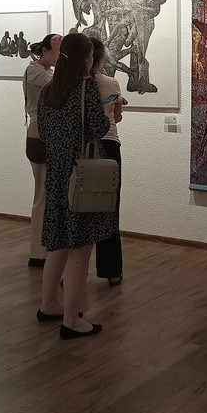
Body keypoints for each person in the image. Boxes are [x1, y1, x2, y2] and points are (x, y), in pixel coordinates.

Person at [37, 32, 114, 339]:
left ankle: (49, 304)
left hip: (57, 174)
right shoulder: (86, 89)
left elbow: (43, 130)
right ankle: (71, 319)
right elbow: (98, 127)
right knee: (80, 249)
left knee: (57, 243)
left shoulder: (49, 89)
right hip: (80, 176)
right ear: (87, 57)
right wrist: (107, 112)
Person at [23, 33, 62, 268]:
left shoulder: (46, 72)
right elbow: (58, 89)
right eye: (57, 51)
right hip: (40, 131)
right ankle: (38, 251)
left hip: (46, 130)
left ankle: (45, 249)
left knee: (47, 192)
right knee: (42, 192)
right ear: (45, 51)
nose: (60, 56)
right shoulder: (35, 71)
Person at [91, 37, 125, 284]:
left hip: (83, 146)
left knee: (78, 205)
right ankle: (111, 270)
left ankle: (71, 269)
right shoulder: (111, 83)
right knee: (110, 208)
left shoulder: (73, 84)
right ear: (101, 58)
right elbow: (118, 117)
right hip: (109, 145)